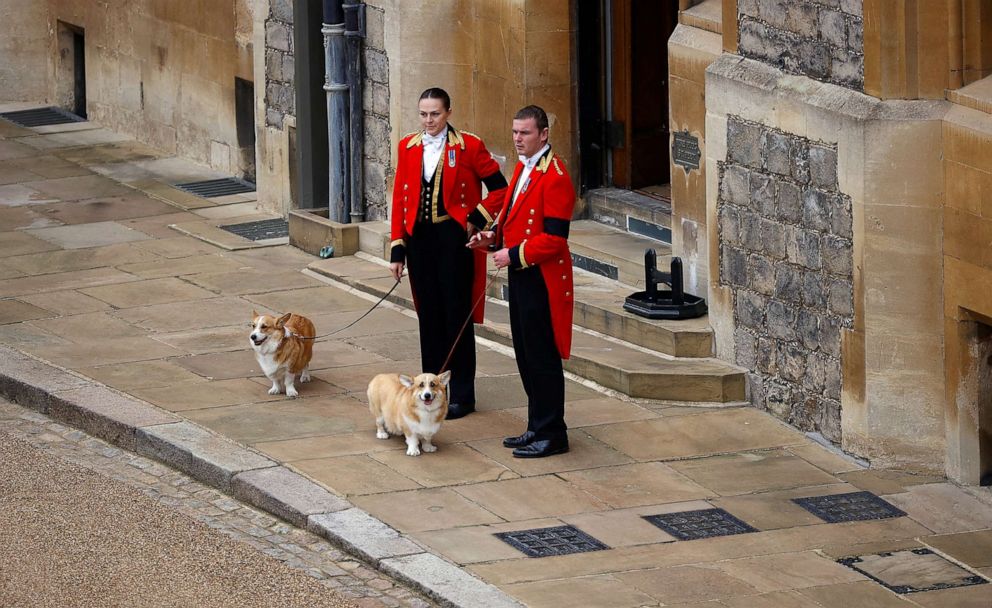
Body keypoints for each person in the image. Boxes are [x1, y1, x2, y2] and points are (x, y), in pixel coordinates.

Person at [389, 87, 508, 420]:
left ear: (448, 113)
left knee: (457, 317)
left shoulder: (469, 146)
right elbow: (400, 198)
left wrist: (477, 218)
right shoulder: (407, 146)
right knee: (429, 316)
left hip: (455, 240)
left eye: (435, 114)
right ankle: (431, 391)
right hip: (421, 242)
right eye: (424, 114)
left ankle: (464, 395)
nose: (429, 121)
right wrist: (397, 248)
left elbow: (500, 188)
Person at [468, 105, 575, 458]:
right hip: (523, 275)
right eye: (515, 132)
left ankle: (552, 432)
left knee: (542, 356)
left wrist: (513, 254)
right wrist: (491, 239)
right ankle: (536, 425)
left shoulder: (555, 175)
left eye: (524, 133)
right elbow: (511, 220)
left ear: (543, 134)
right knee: (526, 354)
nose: (517, 139)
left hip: (542, 279)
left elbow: (556, 238)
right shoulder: (522, 168)